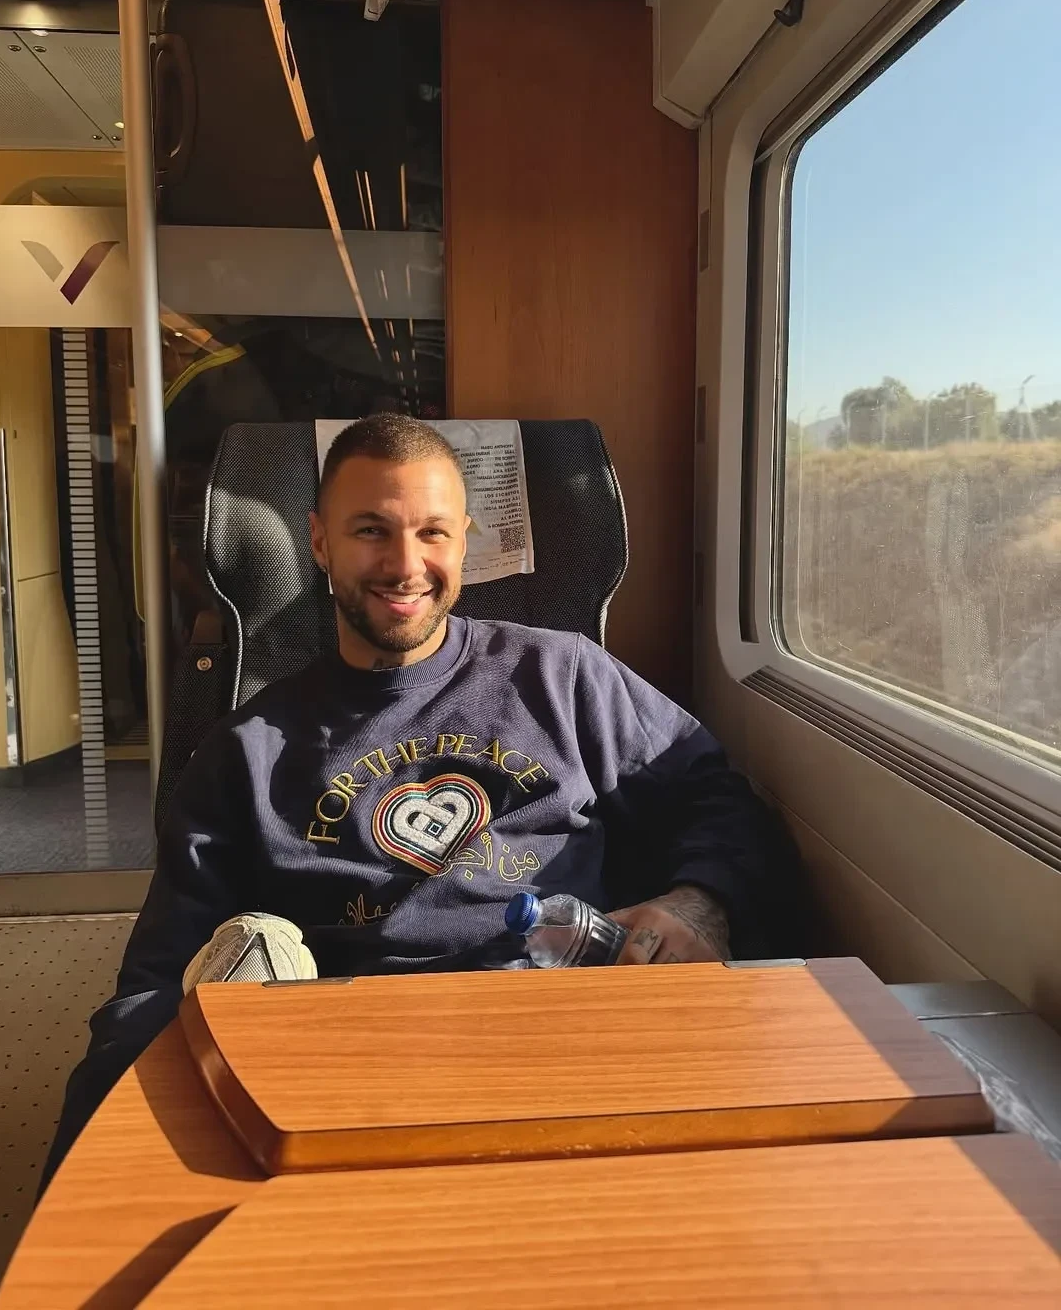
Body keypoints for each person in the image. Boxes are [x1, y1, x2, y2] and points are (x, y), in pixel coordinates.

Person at [41, 414, 795, 1193]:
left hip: (570, 1044)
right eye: (371, 530)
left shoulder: (567, 679)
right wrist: (97, 1169)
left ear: (465, 541)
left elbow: (719, 801)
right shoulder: (246, 754)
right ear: (320, 542)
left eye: (432, 532)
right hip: (356, 1080)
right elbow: (155, 986)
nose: (406, 565)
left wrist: (699, 903)